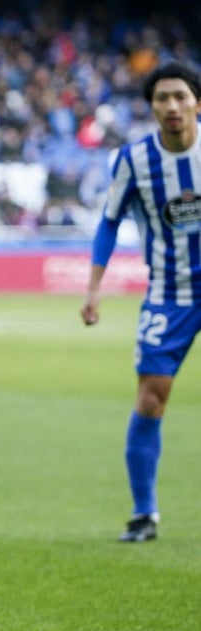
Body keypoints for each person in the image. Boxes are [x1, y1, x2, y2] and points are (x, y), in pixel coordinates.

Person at [80, 60, 201, 544]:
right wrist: (93, 288)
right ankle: (144, 513)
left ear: (197, 102)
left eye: (180, 96)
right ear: (152, 107)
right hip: (169, 293)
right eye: (161, 98)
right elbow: (109, 222)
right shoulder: (133, 159)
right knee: (151, 397)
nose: (171, 106)